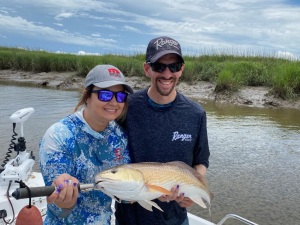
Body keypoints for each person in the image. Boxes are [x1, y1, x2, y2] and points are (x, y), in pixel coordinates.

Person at [115, 36, 210, 225]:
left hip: (175, 218)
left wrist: (192, 192)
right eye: (159, 66)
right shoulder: (125, 107)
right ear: (147, 68)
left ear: (181, 69)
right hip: (130, 219)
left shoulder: (195, 113)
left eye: (174, 67)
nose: (167, 74)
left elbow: (201, 162)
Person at [39, 64, 133, 225]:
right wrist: (64, 201)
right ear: (87, 95)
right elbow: (57, 207)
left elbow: (124, 195)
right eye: (105, 95)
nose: (114, 102)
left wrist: (152, 190)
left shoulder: (120, 136)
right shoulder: (59, 136)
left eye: (120, 96)